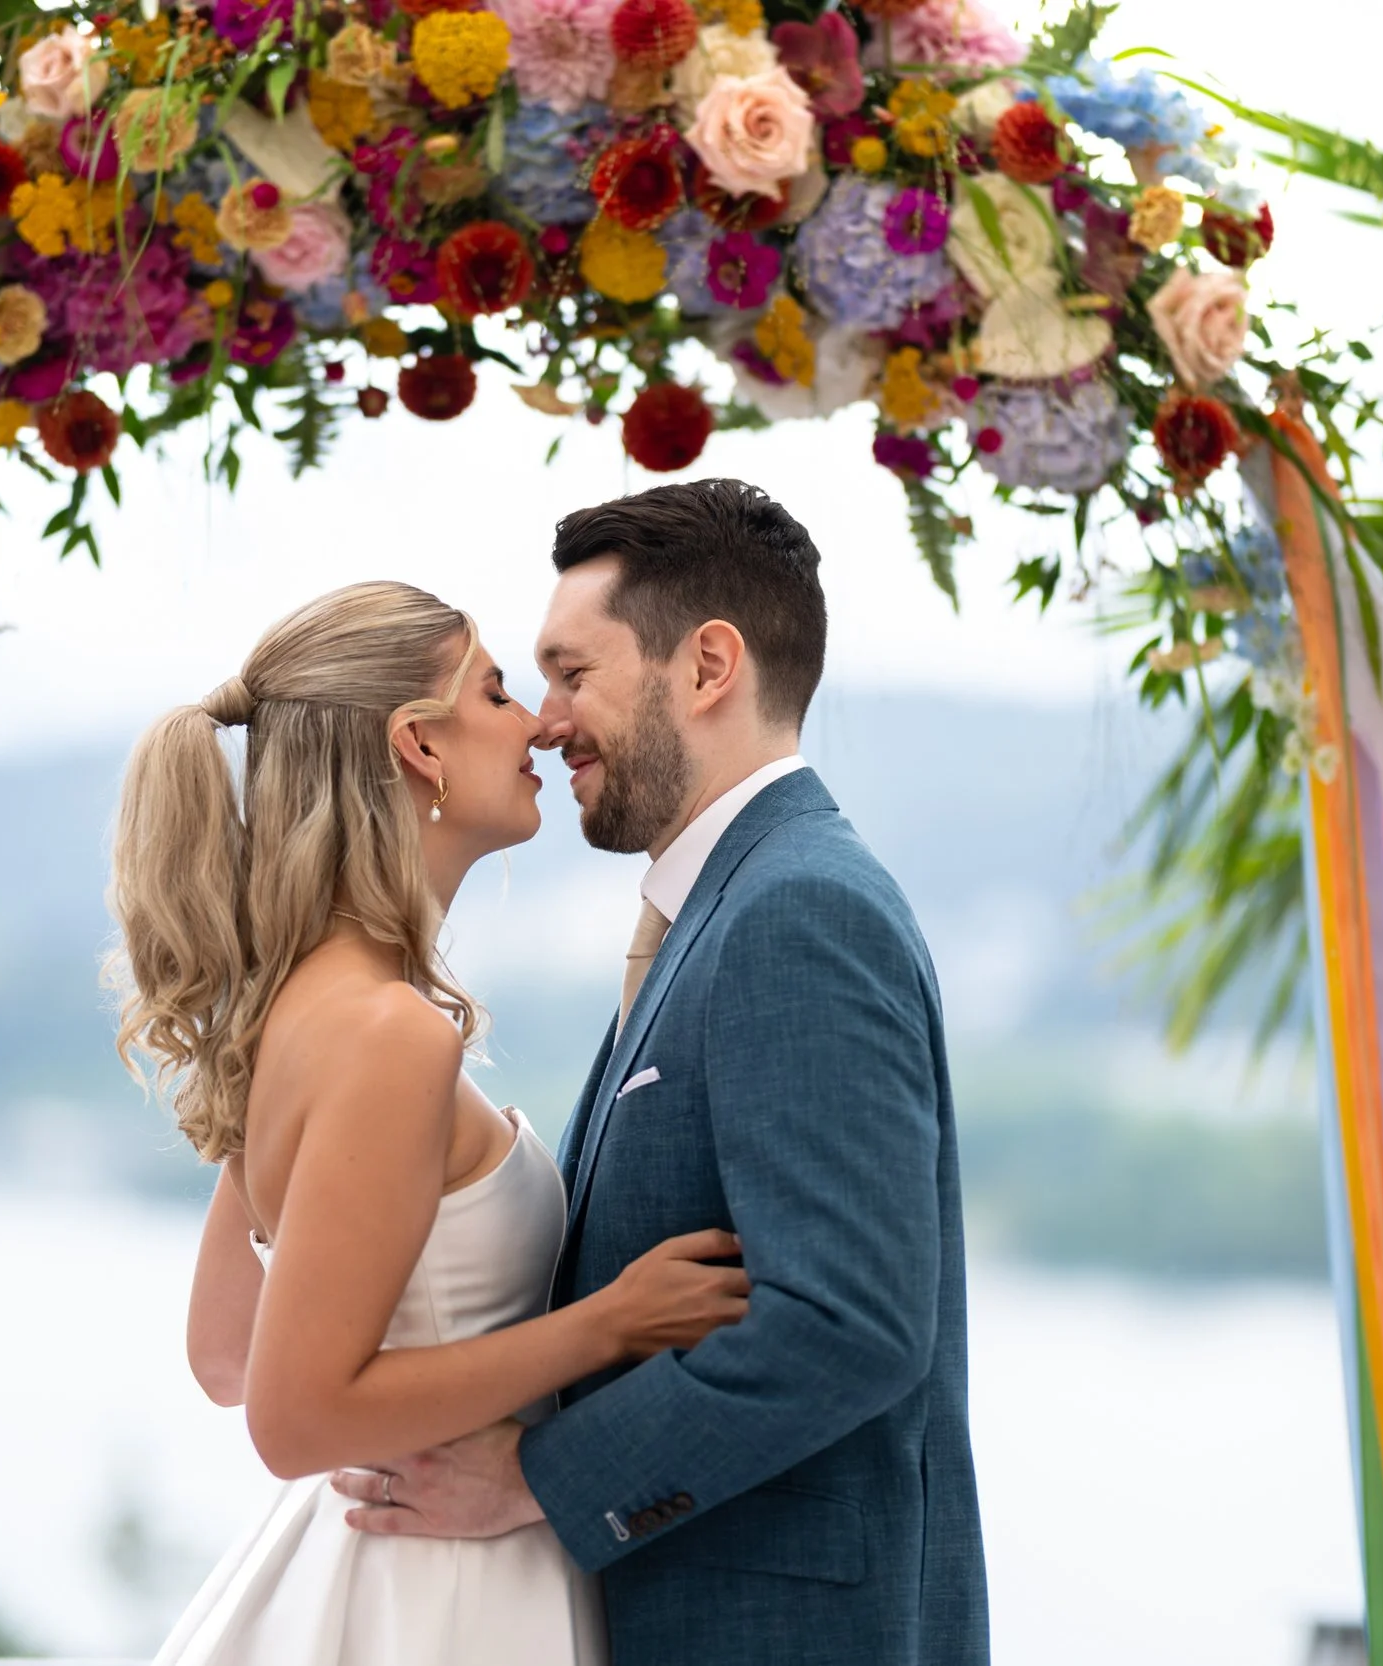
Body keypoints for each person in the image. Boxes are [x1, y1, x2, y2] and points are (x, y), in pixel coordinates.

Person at [328, 481, 991, 1666]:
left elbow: (848, 1323)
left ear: (708, 666)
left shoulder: (799, 912)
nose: (544, 722)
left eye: (572, 673)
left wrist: (537, 1477)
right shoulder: (723, 909)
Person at [115, 580, 750, 1666]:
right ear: (418, 746)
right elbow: (291, 1418)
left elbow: (225, 1349)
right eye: (497, 693)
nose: (537, 724)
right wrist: (610, 1323)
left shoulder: (298, 1010)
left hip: (368, 1575)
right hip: (441, 1595)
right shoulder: (388, 1036)